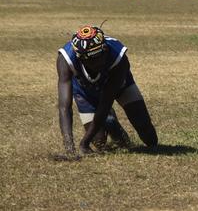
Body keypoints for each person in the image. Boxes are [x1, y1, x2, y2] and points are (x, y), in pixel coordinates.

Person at [57, 25, 157, 154]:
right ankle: (111, 123)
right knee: (99, 141)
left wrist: (84, 142)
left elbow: (105, 103)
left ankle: (110, 121)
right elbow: (64, 107)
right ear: (81, 58)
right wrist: (69, 148)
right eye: (93, 59)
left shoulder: (118, 57)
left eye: (101, 54)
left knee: (148, 133)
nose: (100, 61)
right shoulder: (66, 59)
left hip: (119, 86)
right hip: (86, 92)